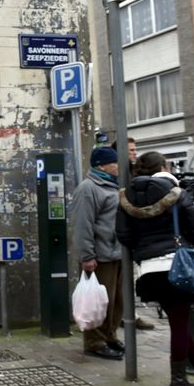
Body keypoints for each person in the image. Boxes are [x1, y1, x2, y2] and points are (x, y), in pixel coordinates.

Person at [116, 152, 194, 386]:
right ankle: (178, 381)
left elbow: (123, 235)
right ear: (164, 167)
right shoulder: (177, 194)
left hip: (149, 272)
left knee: (179, 322)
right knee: (180, 324)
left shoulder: (126, 197)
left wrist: (143, 250)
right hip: (177, 268)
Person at [71, 147, 124, 360]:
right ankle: (94, 341)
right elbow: (82, 224)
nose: (119, 166)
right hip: (100, 255)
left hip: (117, 253)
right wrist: (87, 256)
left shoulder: (114, 186)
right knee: (98, 301)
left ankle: (109, 335)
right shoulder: (89, 188)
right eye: (115, 162)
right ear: (102, 165)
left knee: (116, 301)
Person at [111, 136, 156, 331]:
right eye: (130, 150)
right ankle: (125, 316)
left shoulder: (133, 173)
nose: (134, 153)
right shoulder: (116, 176)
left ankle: (129, 314)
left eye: (135, 149)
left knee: (130, 278)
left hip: (132, 234)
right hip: (118, 235)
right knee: (121, 280)